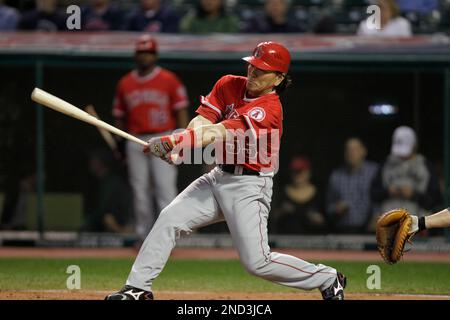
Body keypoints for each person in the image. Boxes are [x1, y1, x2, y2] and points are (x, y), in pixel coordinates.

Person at [106, 41, 347, 300]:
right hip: (218, 176)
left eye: (262, 70)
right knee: (169, 218)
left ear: (277, 79)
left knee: (257, 262)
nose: (253, 73)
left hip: (250, 185)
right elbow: (203, 121)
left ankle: (328, 277)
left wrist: (174, 140)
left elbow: (216, 131)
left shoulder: (269, 109)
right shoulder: (229, 83)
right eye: (252, 66)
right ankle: (137, 288)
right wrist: (181, 147)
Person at [112, 35, 189, 239]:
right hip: (135, 138)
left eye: (148, 53)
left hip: (163, 137)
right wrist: (120, 143)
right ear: (135, 55)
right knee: (140, 191)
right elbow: (120, 116)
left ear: (155, 55)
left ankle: (168, 236)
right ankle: (142, 235)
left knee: (165, 189)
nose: (144, 57)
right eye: (141, 53)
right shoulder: (125, 83)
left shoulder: (169, 79)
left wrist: (181, 139)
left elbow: (181, 111)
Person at [371, 126, 441, 219]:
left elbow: (435, 199)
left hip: (418, 223)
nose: (402, 156)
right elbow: (373, 193)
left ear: (414, 146)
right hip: (389, 222)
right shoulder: (386, 165)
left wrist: (414, 195)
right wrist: (388, 192)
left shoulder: (425, 166)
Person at [326, 138, 378, 233]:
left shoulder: (374, 172)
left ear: (363, 151)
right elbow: (329, 206)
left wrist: (377, 216)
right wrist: (336, 209)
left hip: (369, 230)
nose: (351, 152)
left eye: (355, 149)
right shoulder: (336, 176)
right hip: (342, 230)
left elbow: (381, 199)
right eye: (348, 149)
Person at [82, 149, 133, 233]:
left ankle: (123, 233)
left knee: (107, 218)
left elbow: (104, 210)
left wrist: (89, 221)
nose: (90, 164)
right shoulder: (101, 181)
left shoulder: (111, 182)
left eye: (93, 161)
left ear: (101, 163)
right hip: (109, 219)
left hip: (122, 221)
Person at [271, 156, 325, 234]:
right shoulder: (282, 193)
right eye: (294, 171)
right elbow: (271, 218)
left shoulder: (318, 193)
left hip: (313, 240)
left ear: (308, 172)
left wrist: (316, 218)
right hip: (285, 239)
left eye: (300, 171)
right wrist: (282, 211)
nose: (297, 175)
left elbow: (327, 220)